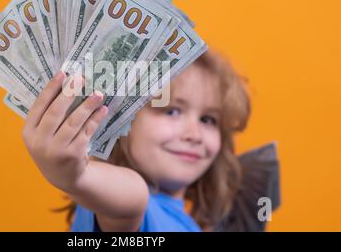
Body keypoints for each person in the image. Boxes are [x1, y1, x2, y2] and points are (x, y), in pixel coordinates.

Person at [22, 49, 251, 231]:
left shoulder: (187, 223)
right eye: (172, 111)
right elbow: (133, 198)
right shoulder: (123, 209)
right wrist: (77, 176)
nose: (194, 134)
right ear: (121, 121)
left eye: (208, 119)